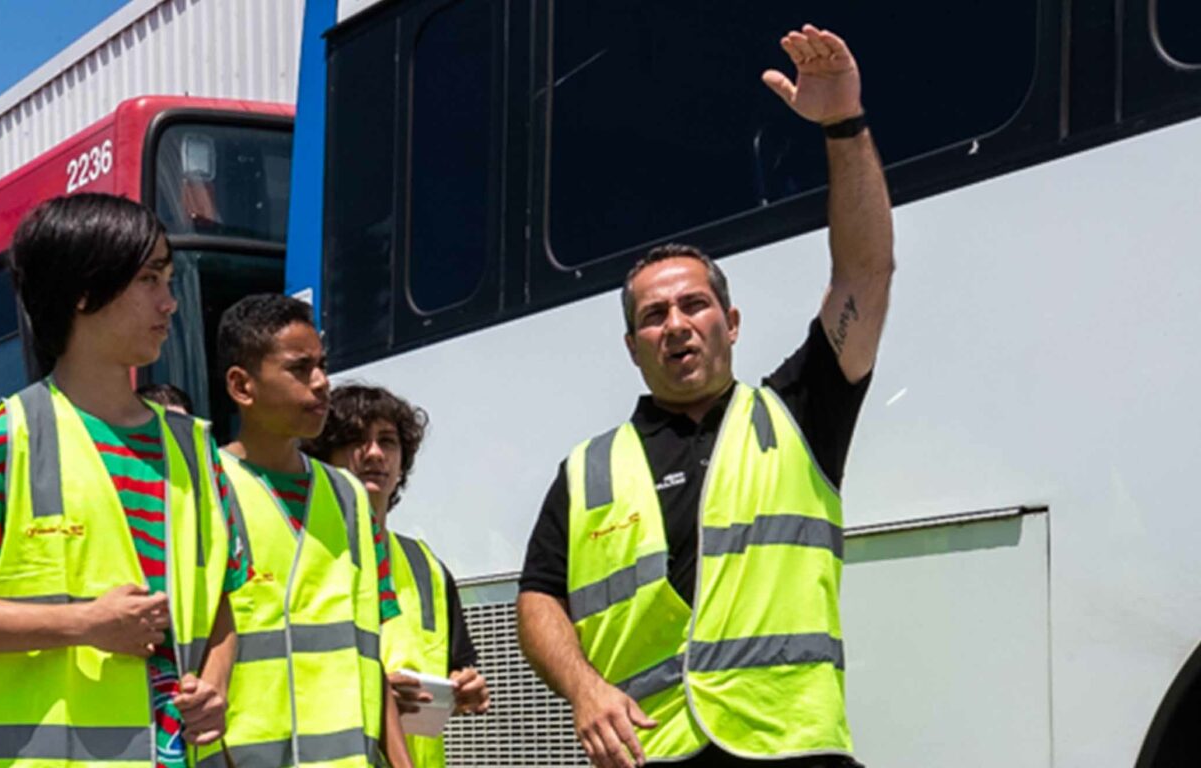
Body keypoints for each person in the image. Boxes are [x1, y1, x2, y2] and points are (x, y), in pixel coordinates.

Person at [516, 25, 893, 768]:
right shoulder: (589, 470)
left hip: (791, 749)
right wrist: (585, 690)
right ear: (633, 347)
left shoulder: (797, 412)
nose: (677, 326)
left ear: (732, 322)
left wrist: (844, 125)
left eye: (694, 306)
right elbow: (538, 599)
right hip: (651, 753)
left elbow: (866, 274)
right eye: (654, 316)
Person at [0, 193, 245, 768]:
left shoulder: (197, 449)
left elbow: (219, 609)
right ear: (84, 292)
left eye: (169, 279)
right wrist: (84, 623)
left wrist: (215, 684)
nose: (170, 303)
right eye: (149, 279)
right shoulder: (0, 441)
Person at [215, 295, 408, 768]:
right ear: (242, 387)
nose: (322, 384)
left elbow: (370, 657)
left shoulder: (350, 499)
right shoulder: (203, 489)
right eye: (300, 370)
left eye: (322, 366)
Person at [305, 385, 488, 768]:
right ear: (323, 455)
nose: (374, 454)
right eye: (356, 440)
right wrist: (373, 695)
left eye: (387, 442)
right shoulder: (302, 552)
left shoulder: (428, 566)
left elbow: (460, 665)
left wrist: (466, 687)